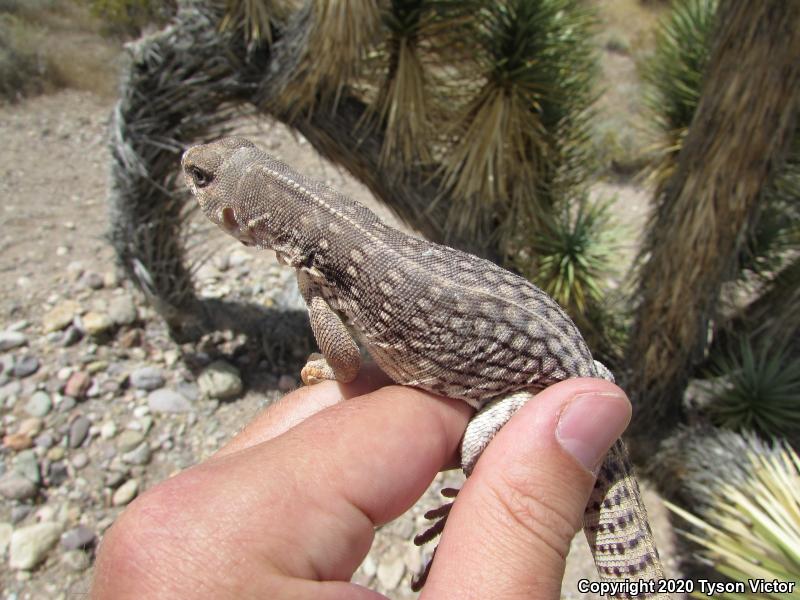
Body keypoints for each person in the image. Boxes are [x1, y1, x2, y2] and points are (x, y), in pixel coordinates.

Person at [91, 365, 631, 599]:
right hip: (528, 371)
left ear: (239, 217)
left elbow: (345, 362)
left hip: (535, 389)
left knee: (478, 450)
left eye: (205, 181)